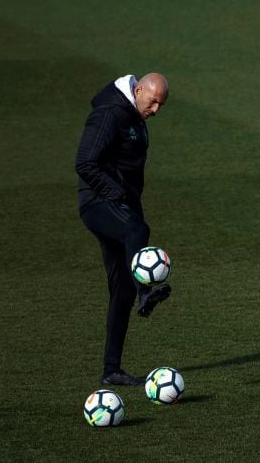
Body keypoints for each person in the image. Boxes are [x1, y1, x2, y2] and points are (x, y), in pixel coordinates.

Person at [75, 72, 172, 386]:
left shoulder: (135, 117)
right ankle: (146, 291)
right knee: (136, 230)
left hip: (120, 205)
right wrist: (115, 195)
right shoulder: (110, 114)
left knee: (121, 289)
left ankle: (111, 370)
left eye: (161, 105)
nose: (156, 109)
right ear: (139, 89)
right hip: (98, 204)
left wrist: (126, 200)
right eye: (153, 101)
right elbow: (85, 163)